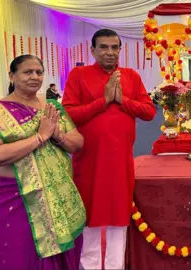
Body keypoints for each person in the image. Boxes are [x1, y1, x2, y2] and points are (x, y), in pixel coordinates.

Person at [0, 55, 86, 269]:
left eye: (39, 72)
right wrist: (39, 137)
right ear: (12, 76)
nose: (34, 77)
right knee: (18, 253)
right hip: (14, 197)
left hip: (56, 194)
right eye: (27, 72)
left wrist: (57, 135)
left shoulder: (52, 107)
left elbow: (77, 143)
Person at [62, 29, 156, 269]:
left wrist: (121, 100)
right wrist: (102, 101)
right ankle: (89, 266)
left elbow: (149, 112)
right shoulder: (79, 75)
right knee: (89, 216)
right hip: (88, 161)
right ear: (92, 50)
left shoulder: (131, 76)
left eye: (114, 47)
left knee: (118, 217)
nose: (109, 52)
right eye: (103, 47)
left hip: (120, 160)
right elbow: (69, 113)